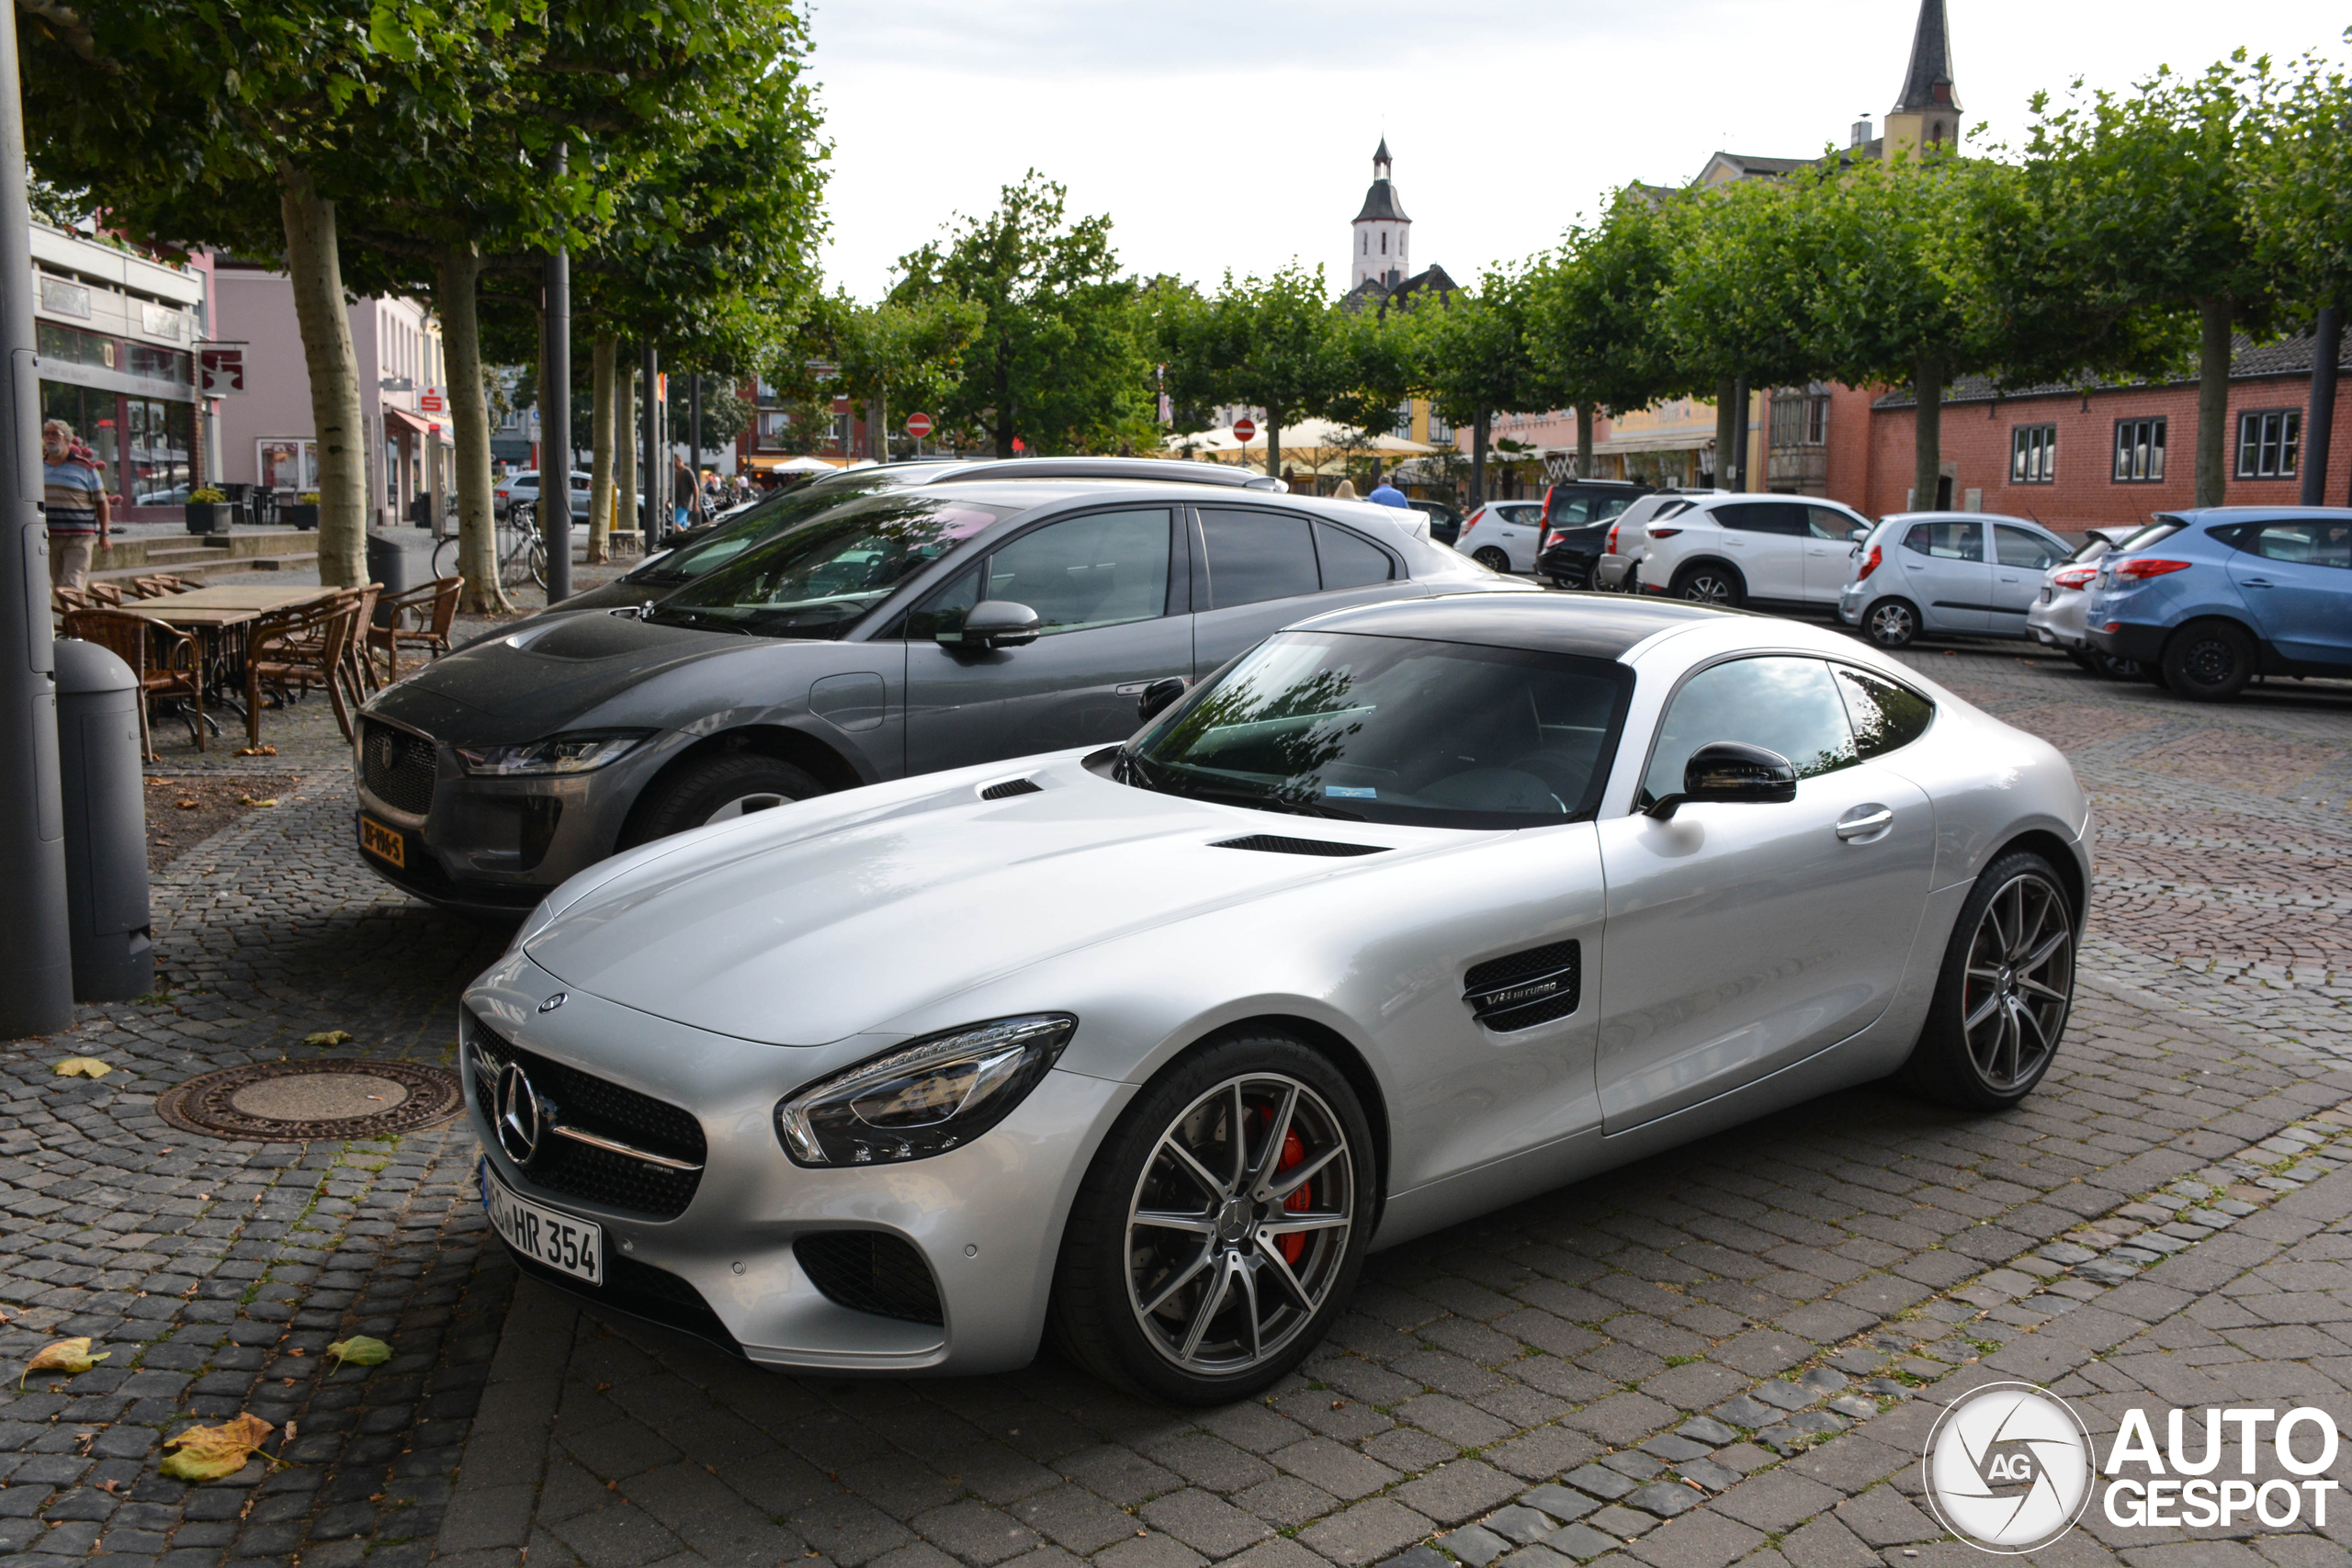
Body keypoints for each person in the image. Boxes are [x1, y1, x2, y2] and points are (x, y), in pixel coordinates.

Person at [43, 419, 108, 591]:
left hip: (79, 536)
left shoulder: (85, 467)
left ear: (67, 439)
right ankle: (73, 616)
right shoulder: (37, 466)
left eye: (55, 434)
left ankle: (74, 616)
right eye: (47, 434)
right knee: (59, 586)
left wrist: (104, 533)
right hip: (50, 535)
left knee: (73, 584)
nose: (49, 438)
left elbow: (101, 502)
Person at [671, 453, 699, 530]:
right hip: (678, 503)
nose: (674, 466)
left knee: (674, 523)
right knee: (683, 527)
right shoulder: (677, 473)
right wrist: (669, 500)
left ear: (680, 461)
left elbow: (695, 487)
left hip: (684, 503)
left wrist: (695, 504)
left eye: (675, 463)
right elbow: (676, 489)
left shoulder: (687, 472)